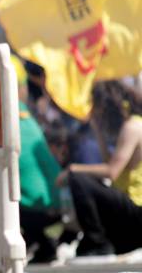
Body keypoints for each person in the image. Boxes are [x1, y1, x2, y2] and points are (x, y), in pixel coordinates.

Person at [58, 81, 142, 256]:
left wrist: (73, 169)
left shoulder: (132, 127)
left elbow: (112, 172)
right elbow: (111, 165)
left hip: (136, 208)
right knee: (85, 179)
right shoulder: (133, 124)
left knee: (79, 179)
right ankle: (97, 241)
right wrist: (98, 134)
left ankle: (98, 242)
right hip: (131, 209)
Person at [10, 56, 62, 264]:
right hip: (54, 203)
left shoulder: (9, 121)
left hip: (36, 207)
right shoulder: (24, 117)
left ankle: (39, 241)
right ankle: (41, 242)